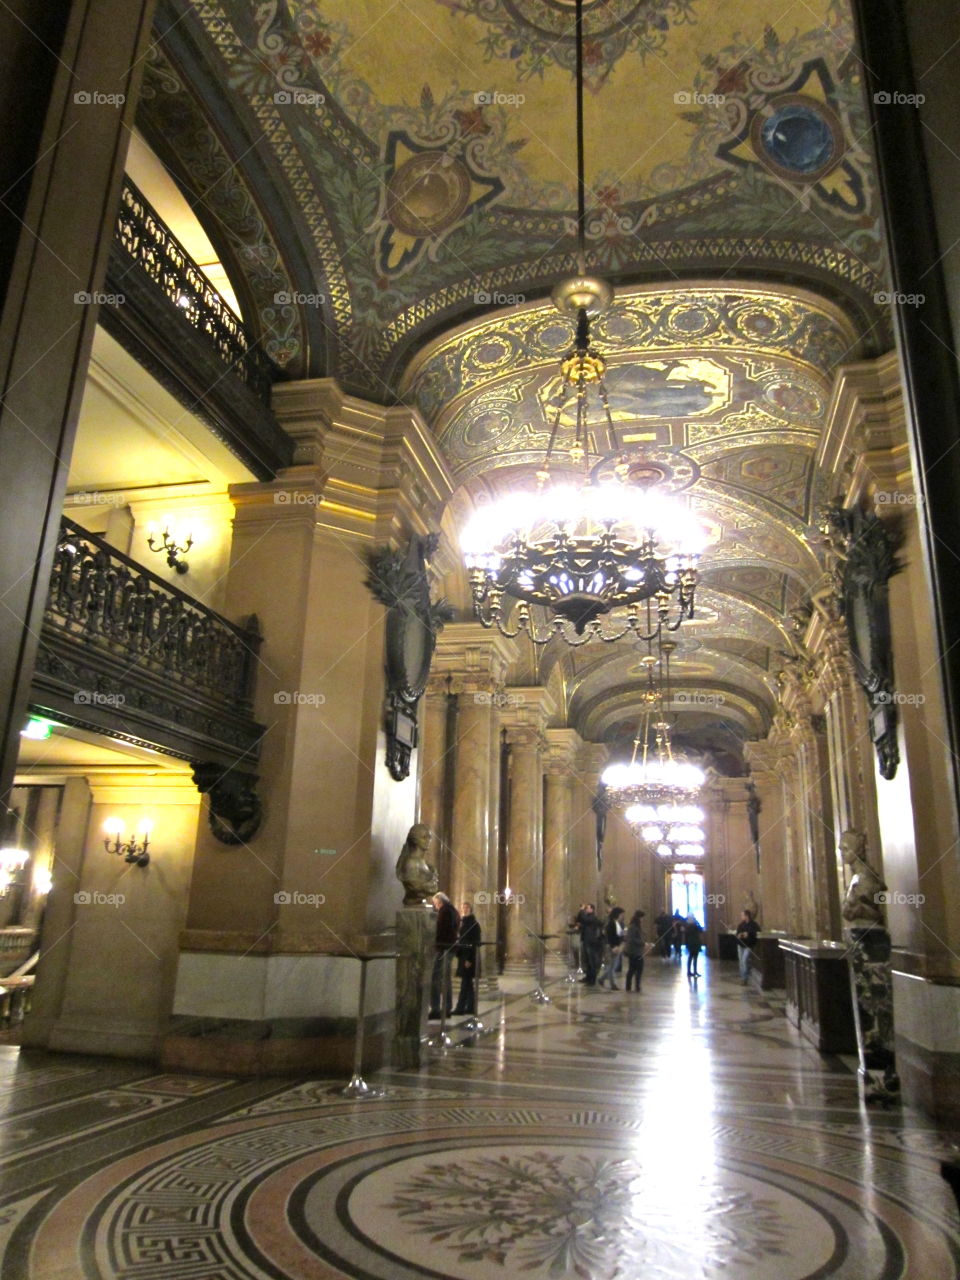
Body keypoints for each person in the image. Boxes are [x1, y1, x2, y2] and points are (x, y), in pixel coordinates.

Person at [428, 892, 460, 1018]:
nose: (435, 906)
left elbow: (440, 929)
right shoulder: (453, 910)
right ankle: (447, 1007)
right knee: (445, 978)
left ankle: (436, 1008)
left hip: (443, 948)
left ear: (439, 902)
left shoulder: (445, 911)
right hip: (449, 947)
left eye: (435, 903)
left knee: (436, 978)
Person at [452, 901, 481, 1014]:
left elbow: (474, 942)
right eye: (463, 907)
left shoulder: (474, 924)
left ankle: (460, 1008)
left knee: (465, 983)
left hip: (469, 957)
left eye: (467, 907)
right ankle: (470, 1007)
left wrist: (469, 959)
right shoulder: (462, 922)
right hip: (463, 954)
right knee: (467, 983)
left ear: (471, 909)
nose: (464, 909)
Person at [576, 903, 604, 986]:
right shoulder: (587, 917)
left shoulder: (592, 917)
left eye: (587, 908)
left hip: (591, 942)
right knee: (587, 961)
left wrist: (581, 910)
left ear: (592, 909)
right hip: (586, 940)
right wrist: (580, 912)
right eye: (586, 908)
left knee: (591, 961)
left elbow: (584, 919)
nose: (586, 910)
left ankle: (592, 979)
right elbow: (579, 919)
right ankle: (588, 977)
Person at [599, 905, 625, 989]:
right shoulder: (611, 924)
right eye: (621, 914)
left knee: (614, 965)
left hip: (617, 946)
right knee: (612, 966)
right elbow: (609, 936)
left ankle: (602, 979)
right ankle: (612, 984)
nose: (622, 916)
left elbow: (620, 935)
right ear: (617, 914)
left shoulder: (619, 923)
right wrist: (613, 946)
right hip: (612, 947)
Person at [735, 908, 759, 984]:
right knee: (741, 962)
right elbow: (737, 933)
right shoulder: (741, 925)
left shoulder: (754, 924)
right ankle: (743, 978)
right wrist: (740, 935)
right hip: (740, 945)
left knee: (744, 960)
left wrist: (748, 934)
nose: (741, 917)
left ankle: (745, 977)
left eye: (742, 915)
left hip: (749, 945)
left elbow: (757, 933)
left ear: (747, 916)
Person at [623, 910, 646, 992]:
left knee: (637, 969)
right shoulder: (633, 927)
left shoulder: (636, 927)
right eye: (642, 918)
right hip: (634, 952)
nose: (642, 920)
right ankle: (630, 986)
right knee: (633, 969)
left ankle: (636, 986)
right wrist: (643, 943)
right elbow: (632, 939)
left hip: (637, 951)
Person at [685, 913, 704, 978]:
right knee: (695, 957)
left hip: (690, 943)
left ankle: (689, 971)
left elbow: (686, 936)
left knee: (691, 957)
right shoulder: (695, 925)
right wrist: (697, 922)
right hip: (695, 942)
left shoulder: (687, 926)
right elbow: (701, 930)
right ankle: (695, 971)